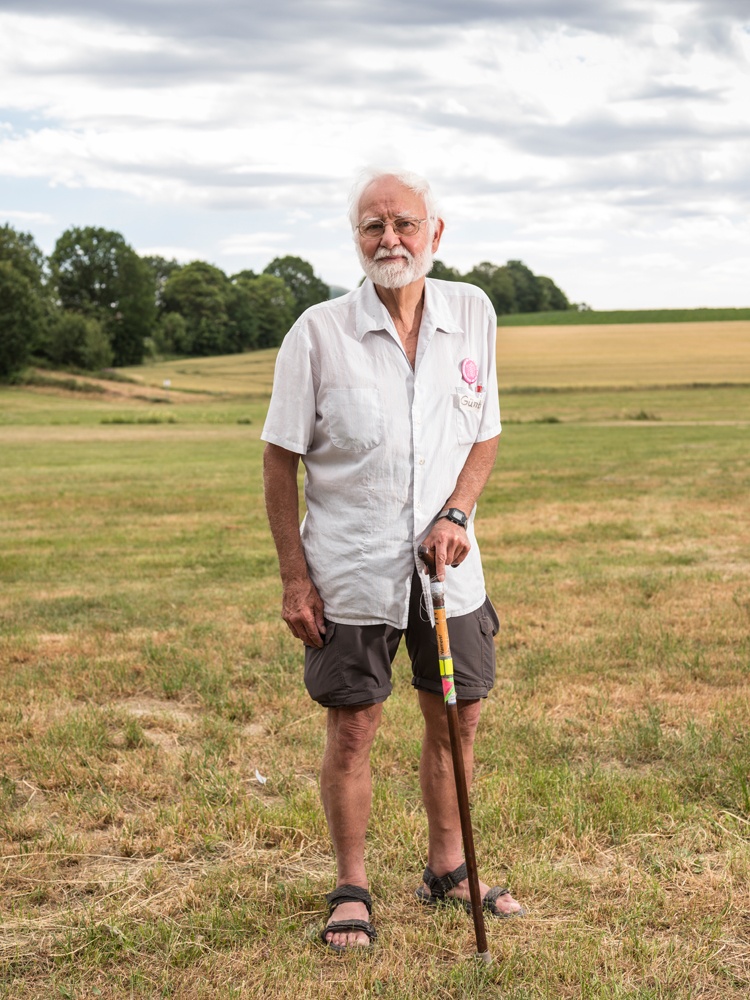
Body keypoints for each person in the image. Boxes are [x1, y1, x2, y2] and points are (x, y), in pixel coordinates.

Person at [261, 168, 524, 951]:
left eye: (405, 224)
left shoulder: (472, 313)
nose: (391, 240)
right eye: (374, 227)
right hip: (350, 569)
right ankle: (352, 888)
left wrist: (457, 512)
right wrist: (293, 577)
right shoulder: (316, 333)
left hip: (448, 570)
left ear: (435, 233)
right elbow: (279, 461)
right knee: (354, 725)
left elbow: (486, 432)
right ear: (356, 239)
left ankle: (449, 870)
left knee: (459, 713)